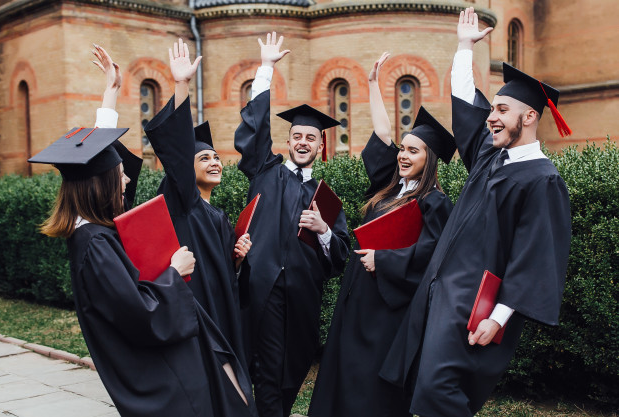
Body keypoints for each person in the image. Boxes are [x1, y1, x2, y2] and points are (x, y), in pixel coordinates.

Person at [31, 45, 254, 417]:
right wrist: (174, 273)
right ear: (98, 185)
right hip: (161, 378)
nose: (125, 179)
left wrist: (111, 93)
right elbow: (140, 312)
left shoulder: (95, 234)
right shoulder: (95, 244)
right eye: (117, 174)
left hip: (164, 364)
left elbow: (94, 154)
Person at [379, 8, 572, 416]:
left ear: (530, 116)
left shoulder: (542, 180)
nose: (491, 117)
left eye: (502, 110)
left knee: (438, 391)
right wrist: (464, 48)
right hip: (440, 292)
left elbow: (535, 257)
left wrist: (499, 317)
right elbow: (467, 106)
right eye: (494, 109)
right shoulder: (491, 158)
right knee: (419, 384)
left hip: (475, 306)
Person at [308, 52, 455, 417]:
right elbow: (382, 136)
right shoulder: (390, 189)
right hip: (357, 299)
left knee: (369, 385)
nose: (403, 155)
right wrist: (374, 85)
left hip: (389, 307)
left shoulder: (435, 202)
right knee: (342, 372)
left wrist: (384, 260)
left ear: (430, 158)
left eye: (413, 151)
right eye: (403, 149)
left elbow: (434, 255)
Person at [234, 32, 351, 417]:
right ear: (288, 141)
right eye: (297, 136)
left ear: (321, 146)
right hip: (263, 289)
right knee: (268, 371)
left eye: (310, 138)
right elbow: (252, 132)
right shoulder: (264, 171)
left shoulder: (326, 197)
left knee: (294, 369)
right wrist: (265, 69)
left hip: (303, 297)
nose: (303, 142)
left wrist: (324, 230)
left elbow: (341, 256)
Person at [143, 39, 255, 399]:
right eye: (203, 158)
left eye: (216, 157)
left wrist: (237, 258)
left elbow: (226, 273)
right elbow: (175, 154)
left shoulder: (218, 215)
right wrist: (182, 86)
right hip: (198, 311)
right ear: (185, 172)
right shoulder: (183, 201)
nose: (214, 162)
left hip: (221, 310)